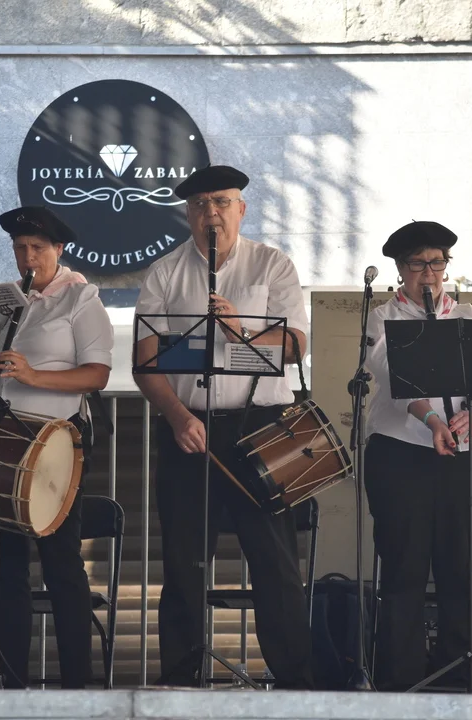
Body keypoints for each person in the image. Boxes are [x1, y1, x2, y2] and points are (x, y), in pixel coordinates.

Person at [132, 165, 314, 688]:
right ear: (187, 214)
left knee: (275, 560)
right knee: (184, 562)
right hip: (188, 428)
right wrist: (177, 415)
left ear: (241, 209)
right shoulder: (166, 272)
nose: (210, 213)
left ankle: (296, 683)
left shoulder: (272, 264)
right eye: (199, 205)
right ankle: (182, 681)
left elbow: (296, 346)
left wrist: (239, 331)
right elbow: (145, 361)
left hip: (260, 427)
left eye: (221, 203)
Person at [0, 205, 113, 689]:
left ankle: (77, 686)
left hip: (57, 444)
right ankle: (11, 681)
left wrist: (34, 375)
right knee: (5, 563)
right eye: (20, 248)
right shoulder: (11, 304)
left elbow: (97, 375)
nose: (28, 256)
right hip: (7, 445)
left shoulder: (81, 299)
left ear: (58, 249)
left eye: (37, 247)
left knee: (61, 563)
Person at [363, 221, 472, 690]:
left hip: (466, 454)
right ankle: (400, 681)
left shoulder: (469, 314)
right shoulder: (383, 317)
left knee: (461, 569)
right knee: (404, 570)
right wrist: (433, 420)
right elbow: (393, 377)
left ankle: (461, 675)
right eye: (419, 264)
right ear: (401, 269)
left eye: (437, 263)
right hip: (401, 453)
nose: (429, 273)